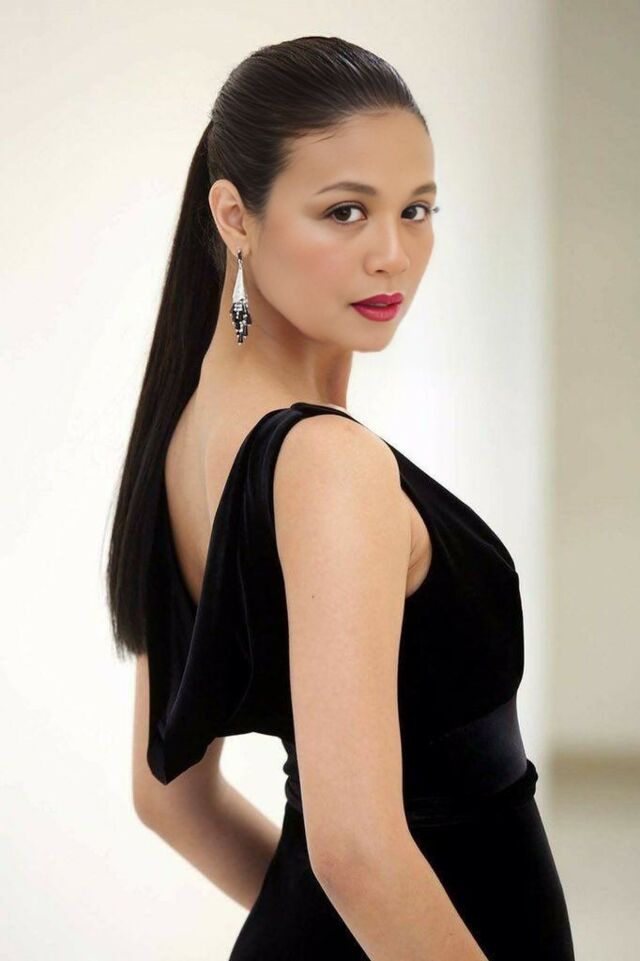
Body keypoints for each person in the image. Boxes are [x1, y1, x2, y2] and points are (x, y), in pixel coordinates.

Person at [106, 35, 575, 961]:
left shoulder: (188, 435)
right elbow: (356, 853)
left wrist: (316, 935)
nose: (393, 255)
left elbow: (170, 800)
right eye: (345, 211)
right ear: (235, 216)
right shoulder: (327, 462)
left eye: (417, 209)